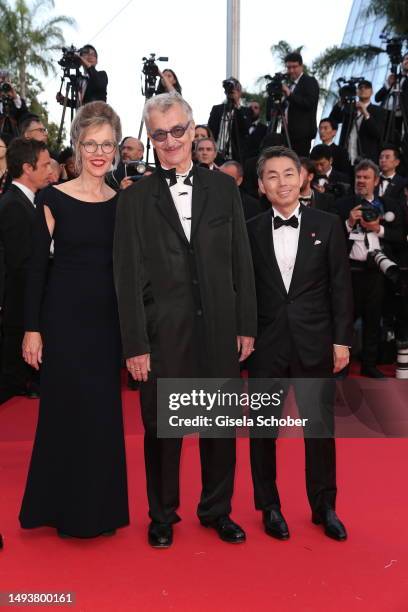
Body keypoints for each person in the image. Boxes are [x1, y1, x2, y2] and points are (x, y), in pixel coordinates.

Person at [114, 92, 257, 548]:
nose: (171, 141)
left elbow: (241, 261)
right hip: (162, 333)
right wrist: (135, 343)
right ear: (150, 139)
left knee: (219, 427)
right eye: (160, 134)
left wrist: (246, 324)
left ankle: (217, 510)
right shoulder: (134, 201)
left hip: (218, 326)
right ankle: (162, 514)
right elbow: (127, 277)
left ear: (194, 130)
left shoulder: (223, 189)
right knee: (162, 431)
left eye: (178, 130)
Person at [19, 101, 129, 538]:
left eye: (107, 144)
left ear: (116, 149)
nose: (99, 152)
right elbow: (33, 268)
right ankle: (57, 508)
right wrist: (32, 327)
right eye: (91, 144)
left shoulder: (122, 204)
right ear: (78, 147)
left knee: (101, 415)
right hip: (62, 322)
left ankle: (97, 512)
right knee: (63, 414)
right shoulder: (52, 198)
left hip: (106, 325)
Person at [246, 146, 353, 541]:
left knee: (320, 430)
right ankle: (269, 505)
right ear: (261, 185)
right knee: (263, 430)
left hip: (315, 342)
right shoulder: (250, 229)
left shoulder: (327, 224)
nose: (281, 182)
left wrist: (342, 341)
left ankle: (324, 506)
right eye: (271, 176)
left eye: (288, 173)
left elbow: (341, 288)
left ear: (303, 177)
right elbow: (243, 291)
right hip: (265, 345)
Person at [335, 159, 405, 377]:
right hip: (350, 271)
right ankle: (341, 365)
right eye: (358, 177)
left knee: (373, 320)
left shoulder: (390, 204)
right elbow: (333, 239)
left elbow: (400, 237)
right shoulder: (343, 204)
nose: (361, 181)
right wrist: (348, 222)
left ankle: (369, 364)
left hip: (377, 270)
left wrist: (378, 228)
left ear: (376, 181)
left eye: (366, 178)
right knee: (345, 320)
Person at [0, 138, 52, 401]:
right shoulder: (12, 206)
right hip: (20, 311)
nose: (50, 171)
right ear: (27, 168)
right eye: (44, 165)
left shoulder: (28, 202)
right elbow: (21, 265)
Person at [330, 80, 386, 164]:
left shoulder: (378, 110)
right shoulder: (350, 107)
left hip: (366, 158)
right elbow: (333, 120)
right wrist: (341, 102)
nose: (363, 89)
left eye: (366, 87)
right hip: (345, 156)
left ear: (372, 92)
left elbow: (377, 133)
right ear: (356, 92)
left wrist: (366, 113)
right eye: (360, 88)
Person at [280, 52, 319, 156]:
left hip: (302, 135)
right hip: (287, 134)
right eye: (288, 67)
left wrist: (289, 94)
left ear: (301, 66)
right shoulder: (289, 84)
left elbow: (309, 103)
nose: (291, 70)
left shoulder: (309, 81)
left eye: (294, 67)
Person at [208, 78, 252, 162]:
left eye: (234, 90)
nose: (231, 92)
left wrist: (237, 106)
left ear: (239, 93)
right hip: (217, 154)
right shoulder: (217, 109)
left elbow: (246, 129)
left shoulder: (245, 111)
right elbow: (210, 130)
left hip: (235, 155)